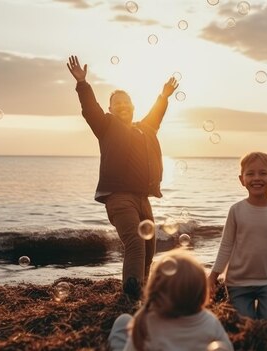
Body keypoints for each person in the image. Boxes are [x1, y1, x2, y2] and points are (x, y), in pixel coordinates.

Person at [66, 55, 178, 299]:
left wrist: (164, 96)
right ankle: (130, 293)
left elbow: (156, 114)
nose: (123, 106)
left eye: (126, 102)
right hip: (118, 197)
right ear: (111, 109)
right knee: (136, 243)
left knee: (149, 248)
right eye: (117, 103)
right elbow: (90, 109)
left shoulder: (145, 128)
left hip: (142, 198)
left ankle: (141, 293)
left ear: (133, 106)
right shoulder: (105, 125)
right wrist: (83, 84)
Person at [208, 152, 267, 319]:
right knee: (245, 323)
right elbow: (226, 245)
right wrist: (214, 275)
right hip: (238, 283)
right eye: (250, 173)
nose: (257, 178)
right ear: (242, 180)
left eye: (263, 173)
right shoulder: (236, 210)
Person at [107, 250, 234, 351]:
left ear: (156, 290)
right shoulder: (210, 322)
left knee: (123, 321)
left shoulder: (147, 321)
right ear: (201, 293)